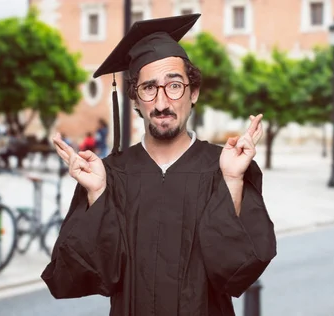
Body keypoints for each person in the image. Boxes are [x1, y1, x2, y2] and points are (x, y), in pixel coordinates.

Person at [41, 14, 277, 316]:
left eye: (174, 86)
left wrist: (231, 180)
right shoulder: (111, 174)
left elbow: (236, 272)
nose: (162, 102)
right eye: (149, 89)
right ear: (136, 100)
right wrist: (98, 195)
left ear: (194, 93)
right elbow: (82, 276)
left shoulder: (223, 167)